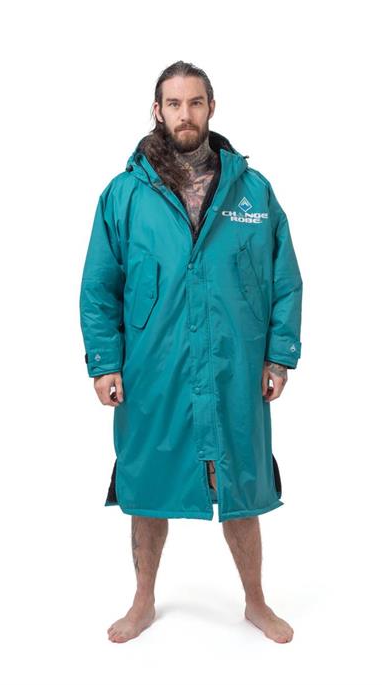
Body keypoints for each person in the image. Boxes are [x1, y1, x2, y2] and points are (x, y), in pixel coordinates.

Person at [79, 61, 303, 645]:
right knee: (147, 482)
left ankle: (255, 601)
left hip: (234, 369)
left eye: (195, 103)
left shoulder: (252, 192)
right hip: (155, 370)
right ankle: (142, 600)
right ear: (157, 111)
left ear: (211, 108)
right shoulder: (125, 195)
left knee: (242, 482)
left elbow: (285, 278)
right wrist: (105, 363)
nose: (185, 114)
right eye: (174, 104)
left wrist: (278, 355)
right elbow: (99, 287)